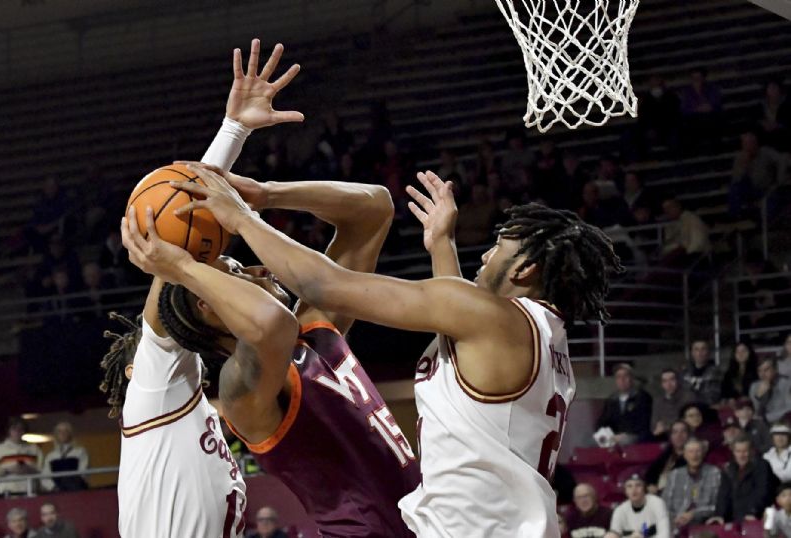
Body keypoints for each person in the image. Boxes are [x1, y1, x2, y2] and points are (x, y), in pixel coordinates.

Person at [170, 163, 623, 536]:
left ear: (525, 268)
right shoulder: (537, 333)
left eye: (497, 247)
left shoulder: (493, 319)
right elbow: (457, 328)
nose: (485, 256)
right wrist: (440, 244)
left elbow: (324, 284)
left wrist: (244, 216)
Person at [117, 42, 419, 538]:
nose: (259, 270)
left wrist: (263, 189)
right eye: (236, 270)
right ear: (205, 303)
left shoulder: (313, 336)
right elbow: (264, 319)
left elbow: (375, 210)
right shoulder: (237, 391)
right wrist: (194, 257)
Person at [103, 40, 305, 538]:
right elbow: (179, 242)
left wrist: (234, 131)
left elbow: (187, 234)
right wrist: (230, 135)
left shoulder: (191, 404)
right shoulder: (151, 391)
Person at [708, 436, 774, 524]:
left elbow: (762, 491)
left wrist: (752, 511)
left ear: (752, 451)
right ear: (733, 452)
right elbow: (723, 494)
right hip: (734, 517)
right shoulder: (728, 468)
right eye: (738, 451)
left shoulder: (762, 466)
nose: (741, 455)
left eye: (745, 451)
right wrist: (719, 515)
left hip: (757, 516)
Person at [662, 438, 723, 530]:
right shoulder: (674, 475)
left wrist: (695, 514)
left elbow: (718, 505)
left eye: (698, 451)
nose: (694, 456)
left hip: (704, 525)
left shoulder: (714, 473)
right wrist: (677, 518)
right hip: (676, 524)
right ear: (685, 455)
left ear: (703, 453)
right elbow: (665, 505)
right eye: (690, 452)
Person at [0, 417, 43, 497]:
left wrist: (29, 469)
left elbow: (42, 471)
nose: (17, 432)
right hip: (6, 492)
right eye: (14, 429)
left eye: (21, 429)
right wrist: (7, 470)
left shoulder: (34, 449)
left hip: (29, 491)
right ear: (8, 430)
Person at [596, 364, 652, 444]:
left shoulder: (642, 397)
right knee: (591, 440)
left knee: (624, 441)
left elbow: (643, 422)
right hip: (614, 436)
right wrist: (604, 433)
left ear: (631, 379)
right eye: (618, 377)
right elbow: (603, 421)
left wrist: (624, 435)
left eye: (625, 376)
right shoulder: (612, 400)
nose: (622, 380)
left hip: (634, 435)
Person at [607, 474, 671, 538]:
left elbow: (665, 534)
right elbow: (613, 535)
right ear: (625, 491)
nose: (634, 490)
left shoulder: (657, 503)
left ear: (644, 488)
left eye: (638, 485)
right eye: (629, 486)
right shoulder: (620, 510)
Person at [41, 422, 89, 492]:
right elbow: (45, 476)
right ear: (56, 434)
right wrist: (54, 488)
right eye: (59, 431)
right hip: (57, 492)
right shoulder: (51, 456)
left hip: (77, 490)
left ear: (70, 434)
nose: (63, 434)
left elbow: (83, 472)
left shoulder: (80, 452)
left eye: (66, 431)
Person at [660, 199, 711, 266]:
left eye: (670, 207)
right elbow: (668, 243)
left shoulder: (691, 219)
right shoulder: (669, 224)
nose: (667, 211)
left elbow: (698, 243)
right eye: (665, 209)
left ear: (678, 206)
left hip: (695, 255)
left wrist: (684, 252)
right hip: (678, 255)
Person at [645, 420, 690, 494]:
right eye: (675, 432)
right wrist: (650, 485)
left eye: (683, 432)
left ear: (688, 435)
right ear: (671, 436)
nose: (679, 435)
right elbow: (650, 474)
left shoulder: (692, 456)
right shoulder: (667, 454)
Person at [652, 369, 695, 438]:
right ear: (662, 384)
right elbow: (654, 424)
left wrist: (666, 426)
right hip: (664, 435)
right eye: (665, 381)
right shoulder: (658, 401)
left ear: (678, 381)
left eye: (672, 380)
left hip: (684, 435)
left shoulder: (688, 397)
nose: (669, 384)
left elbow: (689, 421)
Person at [681, 340, 722, 405]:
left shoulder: (716, 373)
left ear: (708, 352)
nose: (700, 353)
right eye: (696, 349)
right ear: (692, 353)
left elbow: (712, 398)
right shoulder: (685, 373)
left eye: (703, 349)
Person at [751, 358, 791, 422]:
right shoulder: (754, 386)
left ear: (775, 369)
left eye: (766, 370)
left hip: (783, 422)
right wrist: (758, 397)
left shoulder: (787, 384)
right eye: (759, 371)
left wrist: (767, 417)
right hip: (761, 423)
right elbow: (755, 412)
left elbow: (789, 409)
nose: (762, 374)